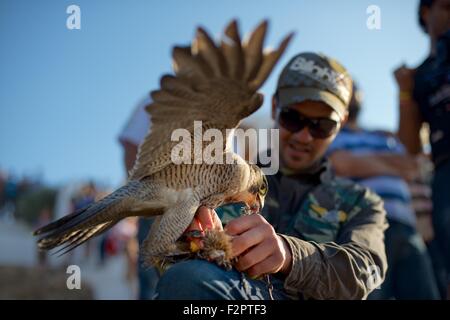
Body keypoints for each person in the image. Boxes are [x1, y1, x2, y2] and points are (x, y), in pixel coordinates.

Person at [154, 52, 388, 300]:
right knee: (186, 280)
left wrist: (290, 256)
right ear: (275, 107)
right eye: (293, 118)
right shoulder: (220, 182)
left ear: (341, 123)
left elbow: (368, 271)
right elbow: (172, 270)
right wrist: (185, 244)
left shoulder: (360, 201)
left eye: (322, 125)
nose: (303, 137)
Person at [327, 83, 440, 299]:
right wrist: (391, 164)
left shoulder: (383, 135)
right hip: (365, 229)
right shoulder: (331, 136)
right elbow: (342, 165)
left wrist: (364, 162)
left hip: (407, 226)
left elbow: (411, 165)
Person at [393, 0, 450, 297]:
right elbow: (409, 146)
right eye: (447, 7)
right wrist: (404, 91)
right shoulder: (421, 76)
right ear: (426, 13)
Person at [118, 95, 159, 300]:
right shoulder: (155, 100)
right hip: (160, 205)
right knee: (152, 282)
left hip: (208, 209)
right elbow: (131, 144)